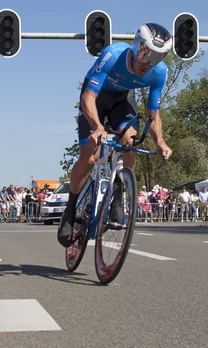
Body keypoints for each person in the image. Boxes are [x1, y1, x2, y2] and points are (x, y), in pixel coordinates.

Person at [57, 23, 173, 247]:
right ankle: (70, 209)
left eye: (158, 58)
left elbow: (153, 114)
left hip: (121, 100)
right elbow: (88, 97)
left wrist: (160, 141)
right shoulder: (112, 55)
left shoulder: (159, 72)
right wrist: (98, 127)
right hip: (95, 98)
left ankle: (118, 192)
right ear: (138, 46)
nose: (149, 65)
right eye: (147, 56)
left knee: (130, 141)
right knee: (90, 157)